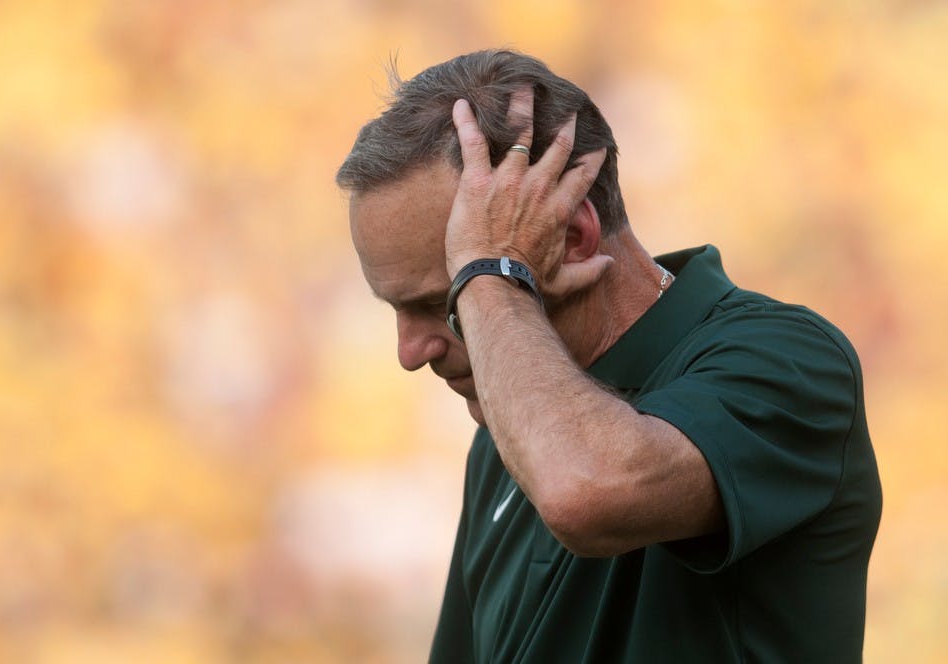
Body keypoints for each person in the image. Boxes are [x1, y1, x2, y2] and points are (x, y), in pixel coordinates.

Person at [336, 50, 881, 663]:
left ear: (570, 240)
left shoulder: (789, 359)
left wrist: (490, 271)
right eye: (397, 309)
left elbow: (586, 490)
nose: (410, 352)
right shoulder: (509, 435)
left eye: (446, 298)